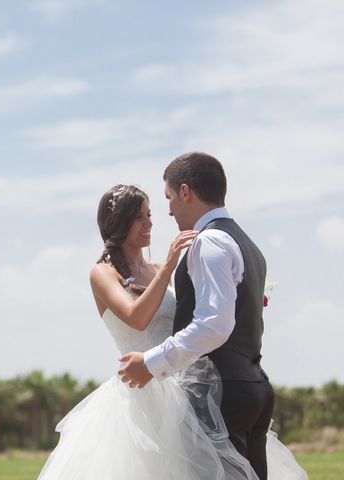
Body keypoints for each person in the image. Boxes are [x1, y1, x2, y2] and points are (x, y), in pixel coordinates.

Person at [37, 181, 307, 479]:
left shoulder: (156, 268)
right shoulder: (102, 273)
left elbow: (198, 315)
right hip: (142, 393)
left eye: (149, 214)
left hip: (187, 385)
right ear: (118, 222)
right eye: (139, 216)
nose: (149, 222)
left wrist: (241, 297)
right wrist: (168, 268)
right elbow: (135, 318)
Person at [117, 152, 305, 479]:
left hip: (219, 392)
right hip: (254, 386)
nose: (170, 210)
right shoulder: (248, 245)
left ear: (186, 191)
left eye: (170, 198)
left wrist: (150, 363)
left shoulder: (208, 242)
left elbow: (214, 325)